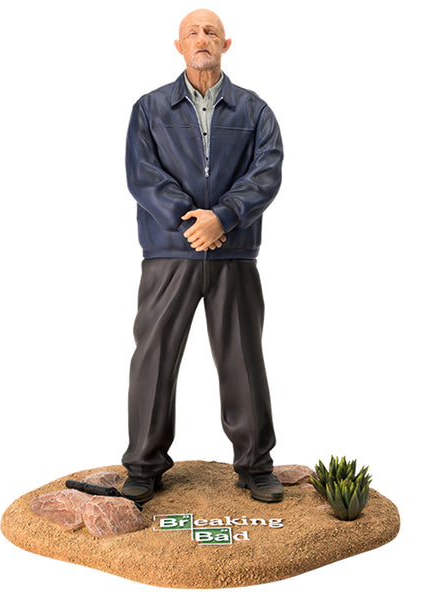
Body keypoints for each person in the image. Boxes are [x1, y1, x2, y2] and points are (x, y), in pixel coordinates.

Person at [121, 9, 284, 503]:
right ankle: (144, 467)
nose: (202, 38)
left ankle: (255, 465)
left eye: (211, 32)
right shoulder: (149, 108)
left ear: (226, 44)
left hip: (235, 254)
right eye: (192, 32)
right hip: (169, 253)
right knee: (154, 358)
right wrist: (192, 222)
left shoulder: (255, 110)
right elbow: (142, 174)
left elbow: (266, 173)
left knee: (243, 359)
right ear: (178, 45)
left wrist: (225, 217)